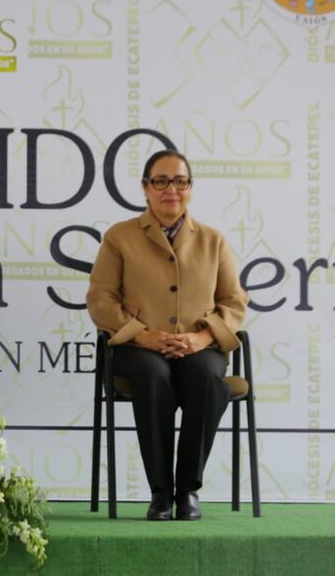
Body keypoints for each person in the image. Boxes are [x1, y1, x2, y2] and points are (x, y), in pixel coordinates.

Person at [87, 149, 247, 521]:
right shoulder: (119, 237)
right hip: (137, 347)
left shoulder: (213, 240)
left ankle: (187, 489)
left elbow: (234, 302)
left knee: (209, 378)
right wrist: (142, 335)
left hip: (198, 344)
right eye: (160, 181)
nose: (170, 189)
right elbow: (100, 299)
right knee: (152, 374)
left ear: (190, 188)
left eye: (179, 181)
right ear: (145, 188)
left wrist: (203, 338)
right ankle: (161, 493)